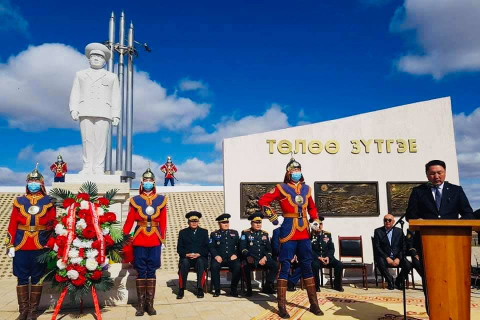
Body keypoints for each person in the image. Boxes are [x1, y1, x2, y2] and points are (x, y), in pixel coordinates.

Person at [258, 156, 323, 318]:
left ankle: (314, 304)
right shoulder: (281, 188)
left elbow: (312, 208)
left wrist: (315, 220)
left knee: (307, 265)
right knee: (285, 266)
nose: (296, 173)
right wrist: (274, 217)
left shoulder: (307, 189)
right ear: (288, 172)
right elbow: (262, 202)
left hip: (304, 231)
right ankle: (282, 306)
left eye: (298, 170)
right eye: (293, 170)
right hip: (288, 230)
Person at [6, 164, 56, 320]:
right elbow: (13, 223)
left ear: (41, 183)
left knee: (37, 277)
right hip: (21, 243)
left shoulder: (49, 201)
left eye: (36, 180)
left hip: (40, 243)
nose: (33, 183)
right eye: (30, 180)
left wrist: (52, 242)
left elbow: (53, 224)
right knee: (21, 277)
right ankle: (23, 310)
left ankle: (33, 311)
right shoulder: (19, 201)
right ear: (27, 182)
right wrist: (10, 244)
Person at [69, 42, 121, 175]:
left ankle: (98, 167)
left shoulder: (111, 76)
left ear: (105, 61)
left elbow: (116, 96)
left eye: (100, 57)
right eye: (94, 56)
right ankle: (87, 166)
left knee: (101, 140)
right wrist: (73, 108)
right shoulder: (80, 74)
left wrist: (116, 114)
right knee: (87, 139)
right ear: (89, 59)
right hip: (85, 109)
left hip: (104, 111)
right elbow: (75, 92)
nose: (96, 59)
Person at [123, 167, 167, 316]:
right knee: (141, 269)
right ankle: (141, 305)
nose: (148, 183)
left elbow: (163, 220)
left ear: (154, 182)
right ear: (142, 182)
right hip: (140, 236)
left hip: (155, 236)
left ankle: (150, 304)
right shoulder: (135, 200)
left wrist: (163, 237)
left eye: (150, 180)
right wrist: (123, 235)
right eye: (145, 180)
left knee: (152, 269)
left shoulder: (161, 199)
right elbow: (130, 219)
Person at [406, 160, 473, 221]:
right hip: (426, 232)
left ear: (445, 173)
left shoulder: (456, 190)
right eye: (432, 173)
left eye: (439, 173)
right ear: (427, 175)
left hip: (451, 232)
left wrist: (458, 224)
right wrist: (417, 220)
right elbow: (410, 214)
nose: (436, 176)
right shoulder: (418, 191)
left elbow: (468, 213)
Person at [240, 213, 277, 296]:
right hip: (251, 258)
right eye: (256, 223)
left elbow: (269, 250)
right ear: (251, 223)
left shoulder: (265, 234)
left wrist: (265, 258)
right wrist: (248, 256)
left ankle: (267, 285)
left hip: (262, 259)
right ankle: (249, 289)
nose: (258, 224)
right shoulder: (245, 233)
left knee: (274, 265)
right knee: (245, 266)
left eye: (259, 222)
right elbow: (242, 248)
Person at [373, 214, 411, 290]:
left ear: (393, 222)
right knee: (380, 261)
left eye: (389, 220)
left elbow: (403, 246)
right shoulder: (378, 231)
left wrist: (398, 258)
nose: (387, 222)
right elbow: (377, 247)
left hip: (397, 256)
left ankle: (398, 281)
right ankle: (390, 281)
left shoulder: (399, 231)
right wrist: (386, 257)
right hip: (384, 257)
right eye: (385, 220)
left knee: (408, 264)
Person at [177, 211, 209, 299]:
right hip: (187, 257)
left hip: (199, 257)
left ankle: (200, 288)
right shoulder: (183, 232)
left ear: (198, 222)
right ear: (188, 222)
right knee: (184, 263)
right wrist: (186, 254)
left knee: (200, 262)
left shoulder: (204, 232)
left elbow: (207, 248)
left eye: (196, 221)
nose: (194, 223)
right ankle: (181, 288)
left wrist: (199, 254)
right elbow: (179, 248)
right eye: (192, 221)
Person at [208, 213, 241, 297]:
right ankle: (217, 290)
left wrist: (236, 254)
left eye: (227, 222)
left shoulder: (234, 233)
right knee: (214, 266)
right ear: (219, 224)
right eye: (223, 223)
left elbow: (239, 246)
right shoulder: (214, 234)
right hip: (220, 258)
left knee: (237, 266)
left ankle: (233, 289)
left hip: (231, 258)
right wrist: (216, 256)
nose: (226, 224)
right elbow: (211, 247)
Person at [311, 217, 344, 292]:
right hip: (317, 258)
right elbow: (310, 250)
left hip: (327, 258)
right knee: (314, 265)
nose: (319, 226)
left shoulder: (327, 234)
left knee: (339, 264)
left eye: (321, 224)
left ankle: (337, 285)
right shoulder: (310, 235)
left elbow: (331, 248)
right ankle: (316, 286)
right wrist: (318, 257)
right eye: (317, 224)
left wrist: (328, 257)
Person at [271, 217, 302, 292]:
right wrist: (288, 255)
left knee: (304, 263)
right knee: (286, 264)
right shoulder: (277, 231)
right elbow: (275, 247)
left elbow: (297, 245)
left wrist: (295, 255)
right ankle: (288, 284)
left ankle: (291, 281)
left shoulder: (294, 231)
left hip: (293, 256)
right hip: (281, 255)